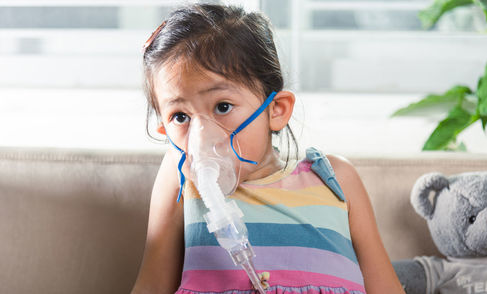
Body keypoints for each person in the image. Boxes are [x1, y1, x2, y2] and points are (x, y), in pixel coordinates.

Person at [132, 4, 404, 294]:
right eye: (180, 116)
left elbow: (385, 287)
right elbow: (151, 285)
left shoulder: (335, 178)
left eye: (222, 107)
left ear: (276, 110)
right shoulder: (181, 174)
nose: (202, 135)